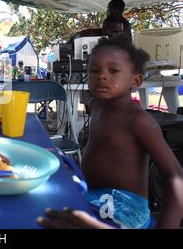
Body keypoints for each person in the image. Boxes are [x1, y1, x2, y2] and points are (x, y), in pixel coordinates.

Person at [39, 38, 183, 229]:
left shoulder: (137, 120)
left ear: (136, 80)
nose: (102, 76)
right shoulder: (96, 106)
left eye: (113, 70)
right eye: (94, 70)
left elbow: (175, 176)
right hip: (95, 196)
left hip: (124, 208)